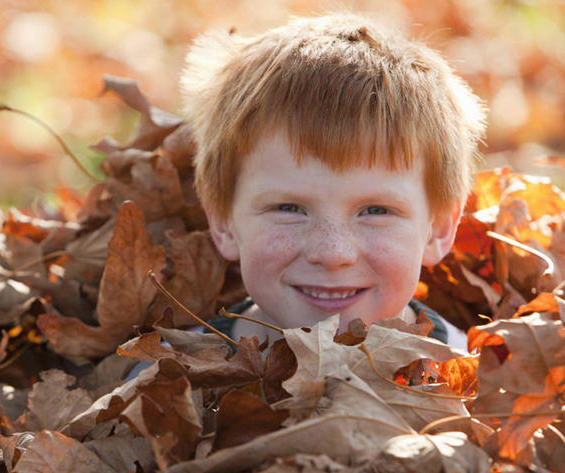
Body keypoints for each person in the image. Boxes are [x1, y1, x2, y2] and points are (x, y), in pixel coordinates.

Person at [180, 13, 486, 350]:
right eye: (289, 208)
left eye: (376, 210)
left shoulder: (477, 389)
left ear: (439, 228)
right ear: (223, 222)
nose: (331, 252)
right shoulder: (165, 385)